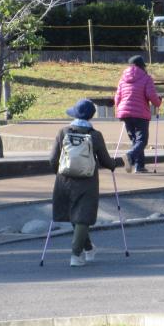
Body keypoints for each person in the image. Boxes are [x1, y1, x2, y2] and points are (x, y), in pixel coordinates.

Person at [50, 99, 117, 266]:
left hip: (64, 180)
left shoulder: (63, 132)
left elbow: (52, 159)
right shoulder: (95, 135)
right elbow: (106, 161)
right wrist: (117, 163)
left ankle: (88, 248)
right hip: (87, 182)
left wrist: (60, 173)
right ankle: (75, 254)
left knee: (75, 215)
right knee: (82, 217)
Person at [114, 55, 163, 173]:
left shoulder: (123, 79)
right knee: (142, 141)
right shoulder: (146, 78)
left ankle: (139, 166)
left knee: (135, 140)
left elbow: (117, 97)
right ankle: (130, 156)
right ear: (142, 66)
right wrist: (158, 102)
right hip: (140, 113)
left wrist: (120, 108)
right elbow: (151, 95)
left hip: (125, 113)